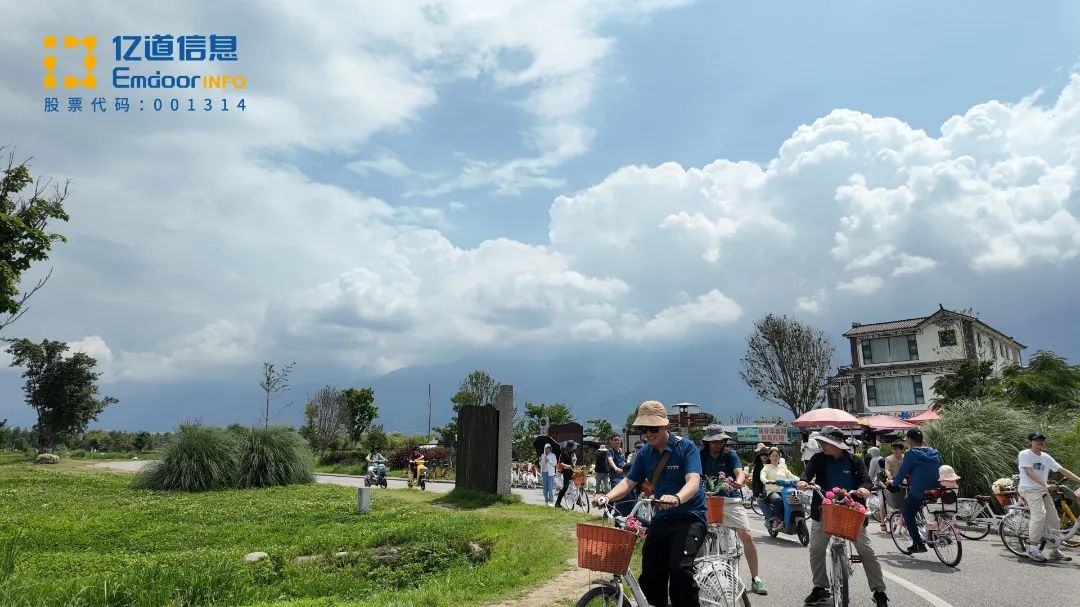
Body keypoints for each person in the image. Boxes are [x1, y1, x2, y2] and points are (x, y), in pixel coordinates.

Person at [595, 401, 708, 607]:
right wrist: (607, 497)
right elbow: (629, 482)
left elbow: (693, 481)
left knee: (679, 569)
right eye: (642, 429)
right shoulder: (645, 453)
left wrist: (677, 498)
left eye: (653, 428)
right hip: (662, 518)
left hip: (690, 517)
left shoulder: (686, 447)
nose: (648, 433)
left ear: (665, 426)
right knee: (650, 572)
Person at [799, 426, 888, 607]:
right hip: (825, 509)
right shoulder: (818, 459)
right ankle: (820, 587)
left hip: (852, 510)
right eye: (821, 442)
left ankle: (879, 591)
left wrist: (864, 488)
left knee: (867, 551)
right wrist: (803, 481)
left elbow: (866, 480)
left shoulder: (855, 461)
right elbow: (806, 475)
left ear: (837, 444)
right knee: (816, 549)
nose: (822, 445)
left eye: (826, 442)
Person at [700, 424, 768, 596]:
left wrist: (739, 480)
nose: (718, 444)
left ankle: (756, 578)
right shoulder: (700, 456)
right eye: (714, 441)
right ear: (707, 441)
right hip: (707, 499)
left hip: (731, 500)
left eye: (721, 441)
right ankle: (699, 575)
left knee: (747, 537)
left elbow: (739, 473)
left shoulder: (730, 455)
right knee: (697, 536)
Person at [1017, 431, 1080, 562]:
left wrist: (1078, 480)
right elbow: (1029, 472)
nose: (1040, 442)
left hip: (1042, 490)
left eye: (1042, 440)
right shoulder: (1024, 454)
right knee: (1039, 516)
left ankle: (1054, 549)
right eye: (1037, 440)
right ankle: (1032, 548)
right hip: (1029, 489)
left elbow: (1062, 470)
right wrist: (1045, 484)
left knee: (1055, 520)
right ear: (1030, 442)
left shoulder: (1046, 457)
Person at [888, 428, 941, 555]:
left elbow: (902, 471)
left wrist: (894, 483)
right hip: (936, 489)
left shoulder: (911, 453)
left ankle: (917, 543)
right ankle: (933, 533)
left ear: (909, 439)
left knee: (907, 512)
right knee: (931, 511)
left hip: (919, 490)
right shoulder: (934, 452)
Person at [760, 447, 799, 531]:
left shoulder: (783, 468)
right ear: (769, 457)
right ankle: (777, 521)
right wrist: (766, 481)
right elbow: (762, 476)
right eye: (773, 456)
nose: (775, 457)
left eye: (777, 456)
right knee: (778, 500)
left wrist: (802, 481)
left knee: (797, 499)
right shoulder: (766, 468)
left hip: (785, 491)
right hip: (772, 492)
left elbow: (792, 476)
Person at [554, 441, 576, 508]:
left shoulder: (571, 453)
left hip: (572, 471)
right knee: (565, 487)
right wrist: (567, 465)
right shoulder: (564, 452)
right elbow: (561, 463)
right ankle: (557, 502)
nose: (572, 448)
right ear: (570, 446)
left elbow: (572, 462)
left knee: (577, 484)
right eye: (572, 446)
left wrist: (574, 465)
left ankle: (579, 500)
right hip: (566, 472)